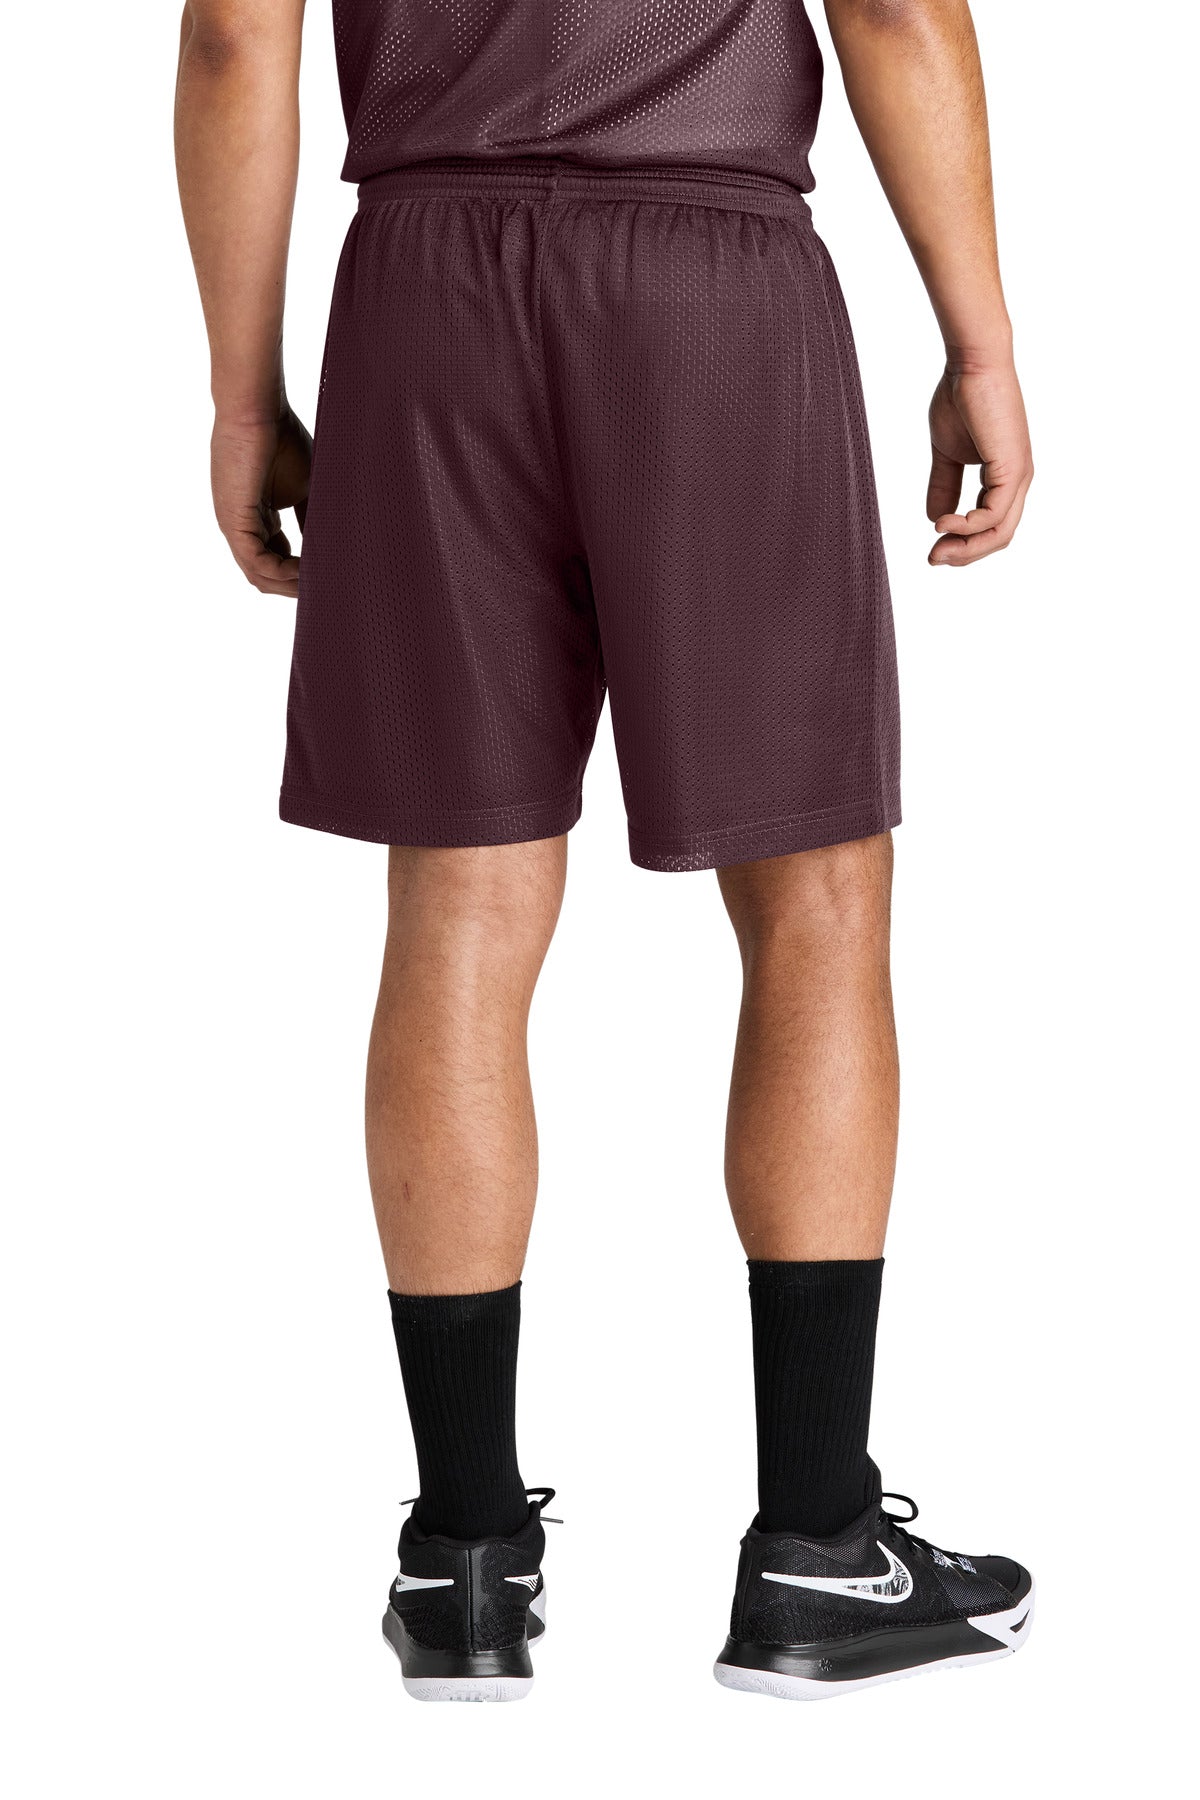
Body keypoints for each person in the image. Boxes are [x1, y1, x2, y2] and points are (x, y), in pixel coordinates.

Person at [175, 0, 1035, 1703]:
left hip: (424, 293)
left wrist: (240, 392)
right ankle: (817, 1549)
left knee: (462, 894)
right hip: (711, 277)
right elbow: (892, 9)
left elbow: (229, 41)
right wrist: (984, 344)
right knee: (815, 891)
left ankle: (465, 1556)